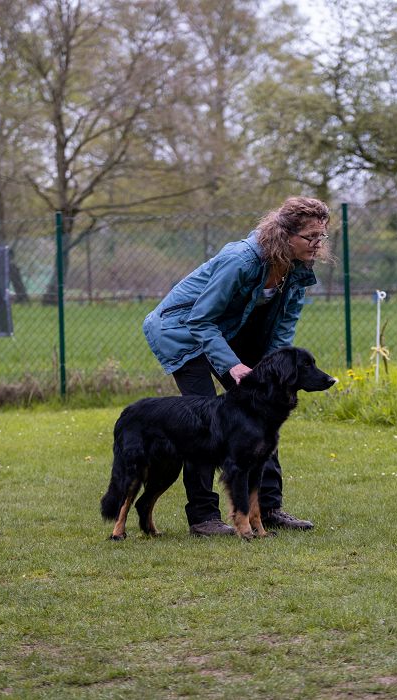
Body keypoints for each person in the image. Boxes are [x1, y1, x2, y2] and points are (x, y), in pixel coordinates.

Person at [143, 196, 332, 536]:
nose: (318, 245)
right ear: (284, 234)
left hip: (223, 331)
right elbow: (200, 320)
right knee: (201, 422)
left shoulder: (299, 269)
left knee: (262, 414)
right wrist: (232, 365)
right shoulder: (240, 261)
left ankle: (268, 508)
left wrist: (270, 372)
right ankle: (204, 517)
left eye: (323, 237)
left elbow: (284, 327)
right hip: (181, 331)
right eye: (311, 237)